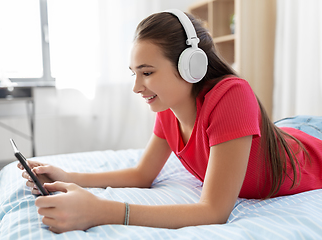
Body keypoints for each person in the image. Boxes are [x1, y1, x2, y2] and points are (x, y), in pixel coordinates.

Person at [18, 9, 322, 233]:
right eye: (134, 73)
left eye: (147, 73)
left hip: (310, 140)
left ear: (192, 65)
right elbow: (142, 174)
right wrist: (69, 177)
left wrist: (102, 211)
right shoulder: (168, 108)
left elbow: (214, 211)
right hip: (287, 129)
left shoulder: (232, 95)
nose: (137, 87)